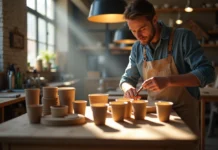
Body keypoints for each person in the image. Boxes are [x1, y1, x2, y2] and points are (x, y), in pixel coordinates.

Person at [120, 0, 215, 136]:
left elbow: (207, 73)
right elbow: (126, 79)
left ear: (154, 20)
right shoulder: (137, 48)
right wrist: (128, 89)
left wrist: (169, 81)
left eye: (142, 29)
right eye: (133, 31)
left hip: (183, 116)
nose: (138, 36)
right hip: (155, 117)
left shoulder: (182, 37)